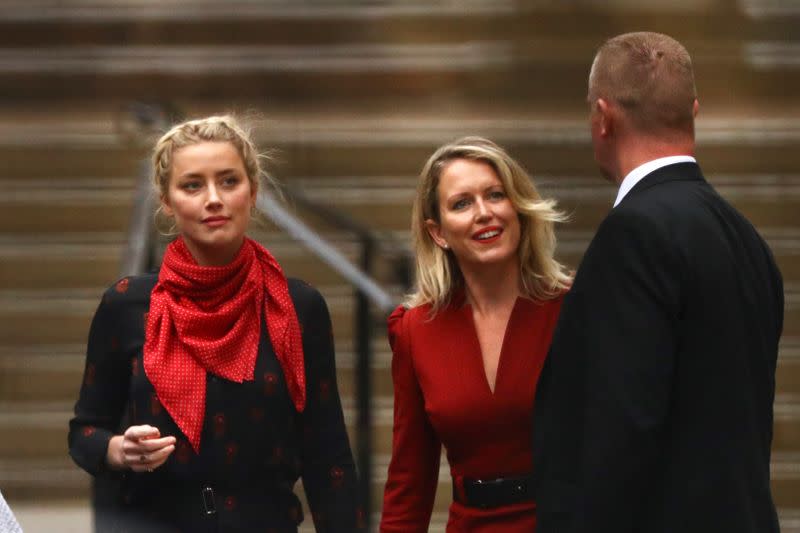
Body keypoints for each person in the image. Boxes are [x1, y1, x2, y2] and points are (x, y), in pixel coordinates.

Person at [532, 32, 784, 533]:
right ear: (694, 110)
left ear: (603, 117)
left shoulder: (633, 235)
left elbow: (619, 428)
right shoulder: (746, 238)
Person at [68, 115, 363, 532]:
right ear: (167, 202)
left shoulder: (298, 306)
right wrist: (119, 449)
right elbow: (84, 433)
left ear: (253, 191)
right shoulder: (127, 304)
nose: (213, 199)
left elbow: (328, 456)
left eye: (228, 181)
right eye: (192, 185)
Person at [379, 136, 572, 532]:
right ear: (439, 233)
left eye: (496, 195)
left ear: (518, 208)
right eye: (462, 203)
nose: (483, 213)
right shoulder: (417, 331)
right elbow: (408, 482)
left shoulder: (573, 311)